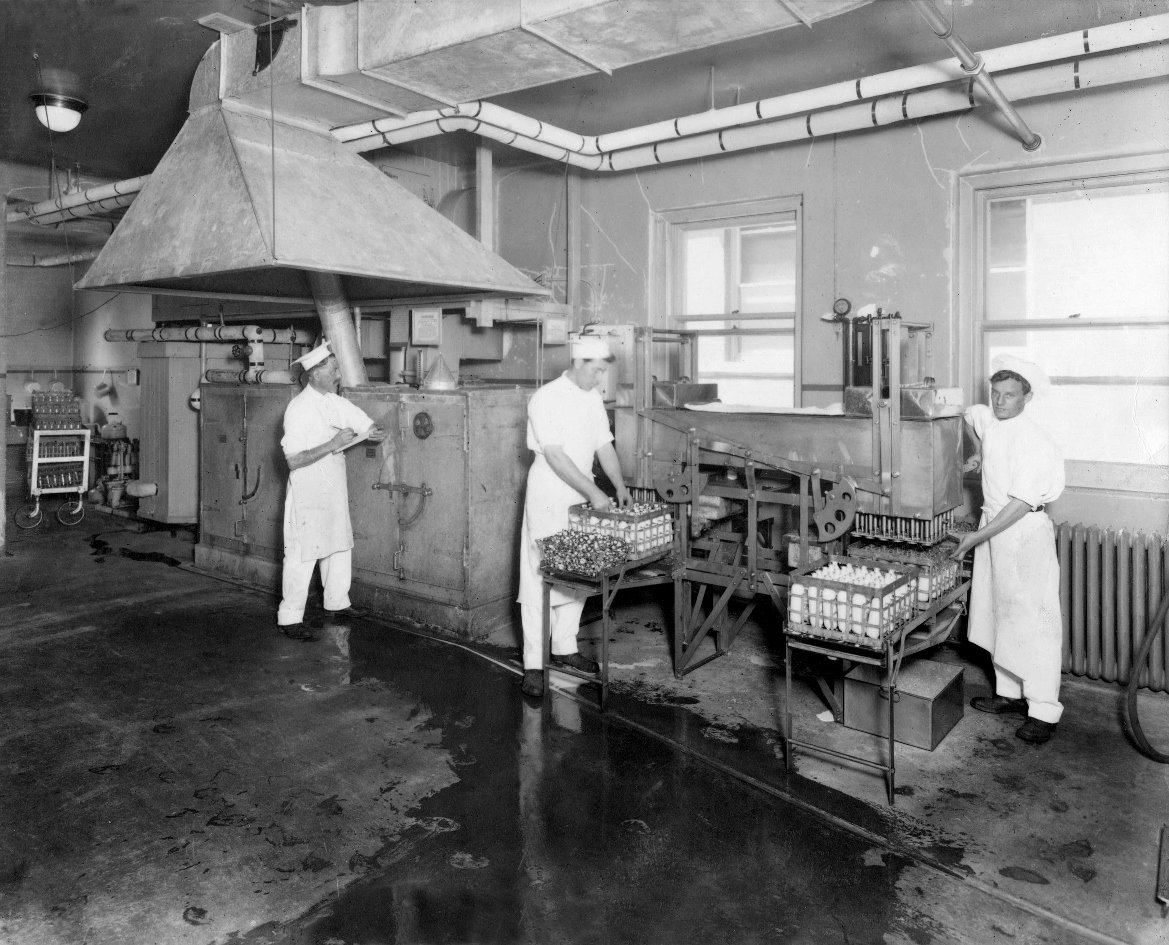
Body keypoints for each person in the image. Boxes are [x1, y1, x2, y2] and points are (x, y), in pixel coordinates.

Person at [950, 356, 1065, 744]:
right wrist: (981, 452)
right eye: (996, 394)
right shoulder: (992, 420)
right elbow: (972, 416)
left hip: (1023, 533)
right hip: (994, 529)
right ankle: (1010, 695)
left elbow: (1019, 505)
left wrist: (976, 538)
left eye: (1009, 396)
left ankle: (1045, 711)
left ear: (1027, 398)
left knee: (1034, 623)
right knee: (999, 614)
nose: (1000, 402)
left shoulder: (1037, 442)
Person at [517, 333, 632, 697]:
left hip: (583, 495)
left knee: (580, 569)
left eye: (603, 371)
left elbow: (604, 445)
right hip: (550, 495)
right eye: (596, 370)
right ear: (578, 363)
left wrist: (619, 485)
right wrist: (595, 492)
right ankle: (534, 665)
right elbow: (554, 456)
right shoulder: (545, 398)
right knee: (542, 573)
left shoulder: (592, 399)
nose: (600, 379)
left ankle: (564, 648)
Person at [277, 340, 386, 640]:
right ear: (314, 374)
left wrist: (372, 430)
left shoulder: (334, 401)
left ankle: (337, 604)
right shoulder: (297, 409)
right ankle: (290, 617)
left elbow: (362, 421)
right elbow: (294, 459)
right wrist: (334, 444)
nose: (339, 375)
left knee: (338, 545)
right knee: (302, 554)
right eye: (333, 370)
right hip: (308, 493)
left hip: (333, 490)